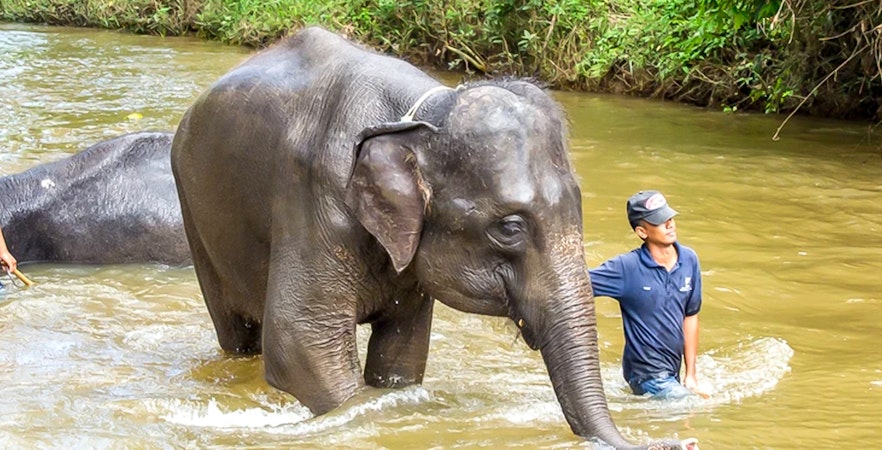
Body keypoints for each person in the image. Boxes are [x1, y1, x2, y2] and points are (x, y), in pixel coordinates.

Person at [589, 190, 706, 399]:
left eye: (670, 218)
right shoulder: (626, 268)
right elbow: (575, 285)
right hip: (645, 374)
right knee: (691, 407)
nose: (670, 224)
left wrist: (691, 375)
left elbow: (690, 316)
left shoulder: (689, 259)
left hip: (672, 372)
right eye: (660, 221)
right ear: (642, 232)